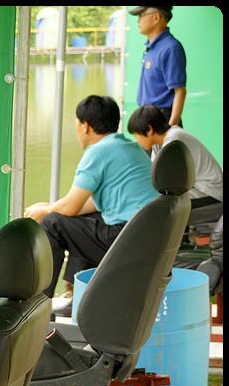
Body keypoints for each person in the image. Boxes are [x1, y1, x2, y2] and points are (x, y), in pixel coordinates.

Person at [25, 95, 159, 316]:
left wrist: (44, 210)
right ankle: (79, 297)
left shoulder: (98, 151)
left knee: (52, 224)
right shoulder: (127, 147)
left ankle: (39, 310)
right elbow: (84, 205)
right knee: (73, 222)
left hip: (127, 239)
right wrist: (50, 205)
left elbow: (70, 207)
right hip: (145, 236)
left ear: (85, 126)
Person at [127, 104, 223, 209]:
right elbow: (154, 176)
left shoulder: (174, 138)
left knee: (161, 203)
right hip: (196, 188)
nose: (136, 140)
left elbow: (163, 181)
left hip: (209, 190)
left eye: (136, 134)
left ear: (149, 130)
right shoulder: (158, 144)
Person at [129, 6, 186, 127]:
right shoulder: (152, 47)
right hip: (147, 117)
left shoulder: (170, 48)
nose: (138, 21)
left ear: (156, 17)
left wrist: (170, 128)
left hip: (162, 119)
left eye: (141, 15)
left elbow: (180, 91)